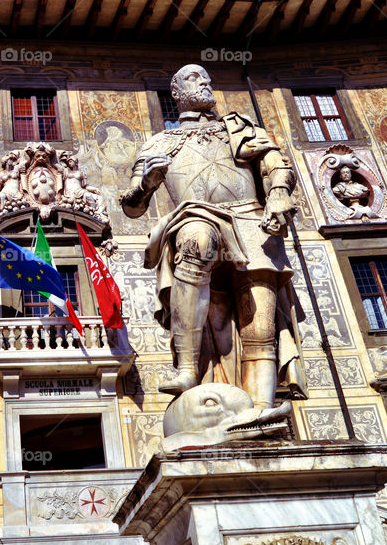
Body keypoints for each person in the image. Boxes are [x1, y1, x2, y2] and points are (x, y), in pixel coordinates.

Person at [120, 64, 304, 411]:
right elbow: (132, 206)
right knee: (196, 238)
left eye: (206, 77)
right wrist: (146, 183)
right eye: (193, 78)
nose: (204, 81)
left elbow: (276, 164)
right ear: (175, 93)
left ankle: (261, 411)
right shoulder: (160, 143)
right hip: (196, 214)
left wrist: (278, 193)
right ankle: (187, 368)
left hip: (250, 219)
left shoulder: (239, 129)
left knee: (261, 319)